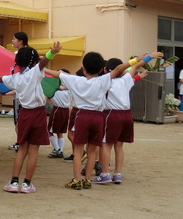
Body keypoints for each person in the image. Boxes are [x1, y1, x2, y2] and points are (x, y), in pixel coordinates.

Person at [46, 50, 162, 190]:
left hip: (83, 115)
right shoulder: (104, 80)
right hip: (98, 117)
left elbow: (58, 74)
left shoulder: (76, 80)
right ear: (101, 69)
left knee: (78, 150)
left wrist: (41, 67)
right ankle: (87, 180)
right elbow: (123, 69)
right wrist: (142, 59)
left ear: (83, 67)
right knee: (92, 151)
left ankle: (77, 180)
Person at [0, 43, 61, 194]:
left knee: (22, 149)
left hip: (24, 113)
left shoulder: (14, 78)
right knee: (33, 151)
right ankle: (27, 184)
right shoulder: (34, 73)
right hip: (38, 114)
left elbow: (0, 78)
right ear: (33, 61)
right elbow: (44, 62)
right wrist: (52, 53)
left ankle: (14, 182)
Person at [92, 57, 148, 185]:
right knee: (119, 146)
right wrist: (149, 56)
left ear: (105, 69)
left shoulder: (105, 80)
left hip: (112, 114)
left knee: (106, 144)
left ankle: (105, 173)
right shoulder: (125, 79)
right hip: (127, 115)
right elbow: (136, 66)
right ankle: (117, 174)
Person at [8, 31, 29, 151]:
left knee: (18, 123)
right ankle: (22, 142)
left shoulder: (17, 55)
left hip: (20, 94)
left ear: (21, 41)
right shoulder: (30, 54)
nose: (12, 41)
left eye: (14, 39)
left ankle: (20, 143)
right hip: (24, 93)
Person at [46, 73, 71, 159]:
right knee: (60, 132)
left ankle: (57, 150)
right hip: (66, 111)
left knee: (49, 131)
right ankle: (60, 150)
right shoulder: (69, 89)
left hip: (57, 110)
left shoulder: (54, 89)